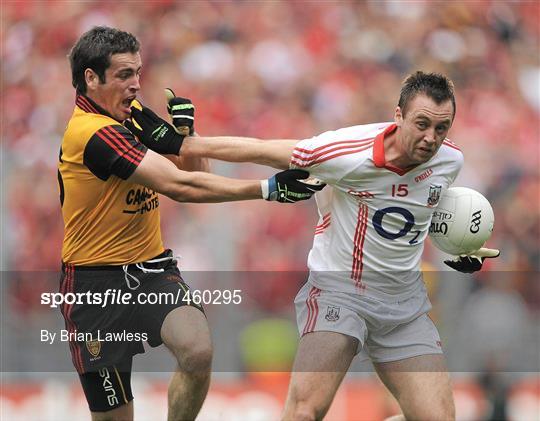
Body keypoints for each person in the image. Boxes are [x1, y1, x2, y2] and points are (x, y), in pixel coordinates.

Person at [148, 71, 500, 420]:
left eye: (442, 128)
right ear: (398, 116)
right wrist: (189, 144)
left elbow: (427, 209)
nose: (430, 138)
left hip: (404, 307)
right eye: (421, 124)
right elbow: (263, 149)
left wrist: (461, 244)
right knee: (304, 412)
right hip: (341, 294)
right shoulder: (347, 153)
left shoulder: (450, 161)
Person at [58, 26, 322, 421]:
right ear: (91, 78)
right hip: (94, 287)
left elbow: (192, 168)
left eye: (138, 73)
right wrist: (265, 188)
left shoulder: (128, 116)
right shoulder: (92, 132)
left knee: (197, 350)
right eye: (124, 75)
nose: (135, 85)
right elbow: (179, 185)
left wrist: (186, 136)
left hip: (150, 271)